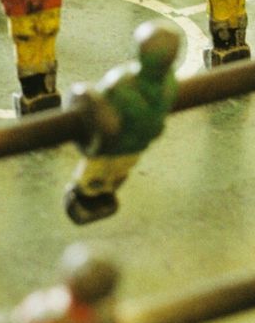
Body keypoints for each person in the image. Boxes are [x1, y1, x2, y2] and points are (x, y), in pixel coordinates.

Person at [63, 21, 179, 225]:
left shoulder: (122, 82)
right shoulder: (169, 83)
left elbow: (96, 104)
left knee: (99, 172)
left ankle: (89, 195)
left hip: (116, 143)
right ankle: (99, 192)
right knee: (116, 172)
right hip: (138, 143)